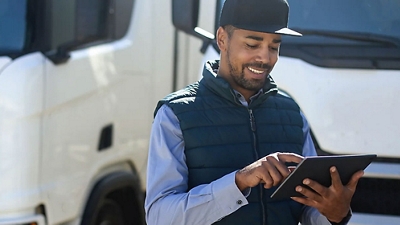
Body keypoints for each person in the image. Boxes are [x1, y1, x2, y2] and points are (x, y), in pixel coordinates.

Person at [145, 0, 364, 224]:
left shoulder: (292, 113)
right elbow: (159, 217)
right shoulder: (175, 114)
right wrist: (239, 182)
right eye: (252, 44)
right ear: (222, 39)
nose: (265, 58)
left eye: (274, 47)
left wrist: (334, 213)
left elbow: (308, 213)